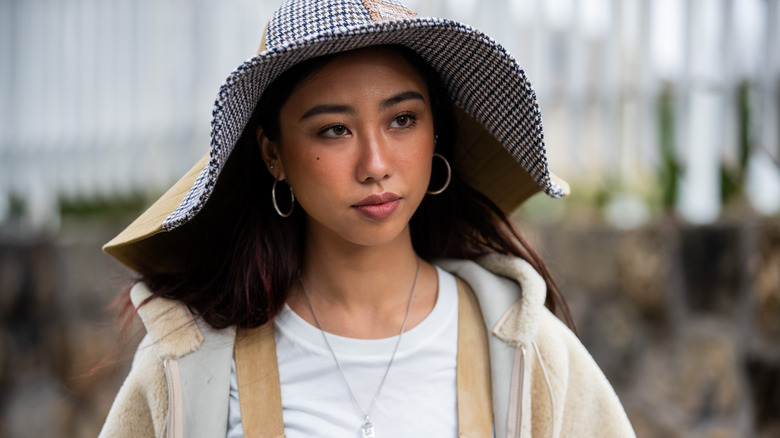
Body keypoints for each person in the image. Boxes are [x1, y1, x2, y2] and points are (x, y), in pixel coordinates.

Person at [99, 0, 635, 437]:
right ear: (273, 153)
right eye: (334, 129)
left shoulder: (527, 351)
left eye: (402, 120)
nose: (376, 165)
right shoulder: (189, 365)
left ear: (435, 135)